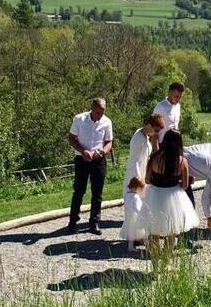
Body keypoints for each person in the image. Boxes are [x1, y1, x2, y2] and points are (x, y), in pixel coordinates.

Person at [144, 129, 199, 269]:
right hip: (174, 197)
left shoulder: (155, 158)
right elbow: (185, 185)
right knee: (171, 233)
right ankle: (165, 263)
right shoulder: (182, 162)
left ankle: (155, 264)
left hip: (155, 195)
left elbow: (147, 180)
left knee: (153, 232)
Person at [67, 97, 113, 234]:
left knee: (97, 193)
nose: (100, 115)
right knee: (79, 191)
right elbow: (71, 138)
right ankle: (72, 222)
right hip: (82, 159)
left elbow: (109, 142)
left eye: (102, 112)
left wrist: (103, 152)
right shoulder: (79, 119)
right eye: (98, 112)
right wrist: (82, 151)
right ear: (92, 108)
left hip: (98, 160)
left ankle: (94, 222)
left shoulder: (107, 122)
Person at [122, 113, 165, 198]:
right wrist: (139, 181)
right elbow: (135, 162)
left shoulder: (144, 135)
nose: (157, 133)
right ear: (149, 126)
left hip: (143, 173)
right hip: (135, 177)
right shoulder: (139, 139)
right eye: (156, 130)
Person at [120, 177, 147, 252]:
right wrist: (143, 214)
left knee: (131, 234)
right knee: (144, 233)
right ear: (137, 187)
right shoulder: (136, 197)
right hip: (136, 218)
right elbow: (137, 208)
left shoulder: (126, 195)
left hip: (129, 218)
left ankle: (130, 247)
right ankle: (148, 246)